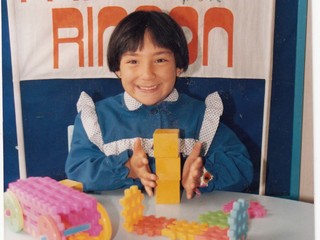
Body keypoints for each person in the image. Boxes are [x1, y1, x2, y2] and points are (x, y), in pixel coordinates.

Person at [65, 10, 253, 199]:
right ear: (117, 68)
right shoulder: (96, 119)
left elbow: (242, 167)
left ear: (178, 66)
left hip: (184, 224)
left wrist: (201, 176)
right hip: (120, 223)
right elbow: (78, 171)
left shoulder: (202, 118)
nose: (147, 74)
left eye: (160, 60)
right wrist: (128, 168)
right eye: (133, 61)